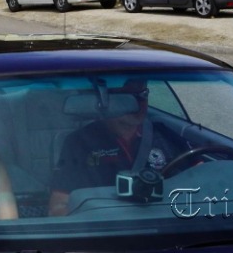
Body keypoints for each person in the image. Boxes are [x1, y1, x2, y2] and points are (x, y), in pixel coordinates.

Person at [47, 80, 188, 216]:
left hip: (164, 224)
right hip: (109, 227)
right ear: (107, 101)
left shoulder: (165, 135)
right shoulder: (79, 142)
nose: (138, 103)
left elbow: (198, 179)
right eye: (127, 98)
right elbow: (58, 207)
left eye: (143, 95)